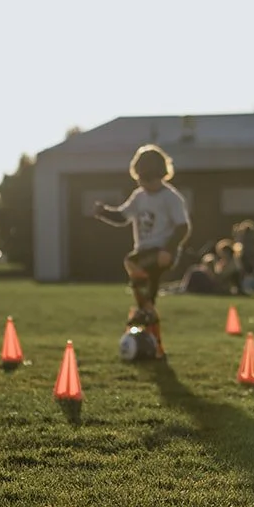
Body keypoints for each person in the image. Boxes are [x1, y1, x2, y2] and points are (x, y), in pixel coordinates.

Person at [91, 144, 191, 358]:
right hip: (144, 251)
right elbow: (122, 216)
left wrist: (170, 249)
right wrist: (103, 212)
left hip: (162, 252)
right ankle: (156, 345)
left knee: (131, 263)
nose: (145, 185)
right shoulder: (139, 196)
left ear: (162, 175)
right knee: (148, 297)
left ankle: (144, 309)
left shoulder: (171, 198)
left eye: (149, 180)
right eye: (141, 180)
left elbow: (183, 227)